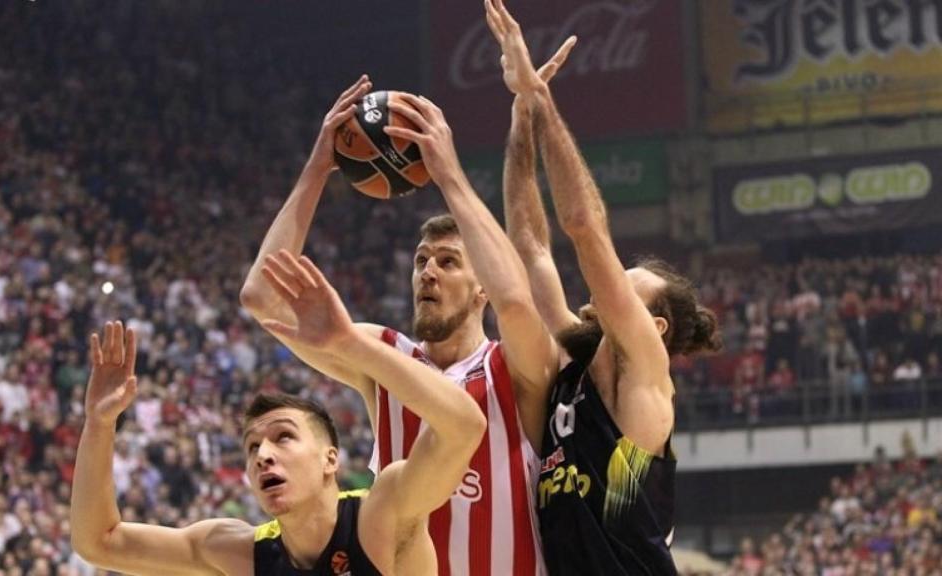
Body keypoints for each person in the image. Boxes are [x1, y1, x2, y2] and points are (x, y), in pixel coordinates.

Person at [240, 73, 568, 575]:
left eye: (448, 262)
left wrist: (449, 174)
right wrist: (319, 169)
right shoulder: (383, 356)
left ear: (483, 288)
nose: (429, 272)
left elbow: (519, 303)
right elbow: (262, 299)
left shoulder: (517, 366)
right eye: (421, 261)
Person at [485, 0, 723, 573]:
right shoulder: (575, 357)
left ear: (654, 325)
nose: (596, 295)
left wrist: (544, 99)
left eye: (624, 288)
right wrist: (521, 113)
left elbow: (583, 228)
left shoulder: (643, 372)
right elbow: (530, 246)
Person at [70, 251, 487, 575]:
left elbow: (465, 427)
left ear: (330, 460)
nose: (262, 455)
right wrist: (99, 426)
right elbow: (100, 543)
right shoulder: (239, 552)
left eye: (283, 437)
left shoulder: (385, 511)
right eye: (252, 447)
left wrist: (350, 345)